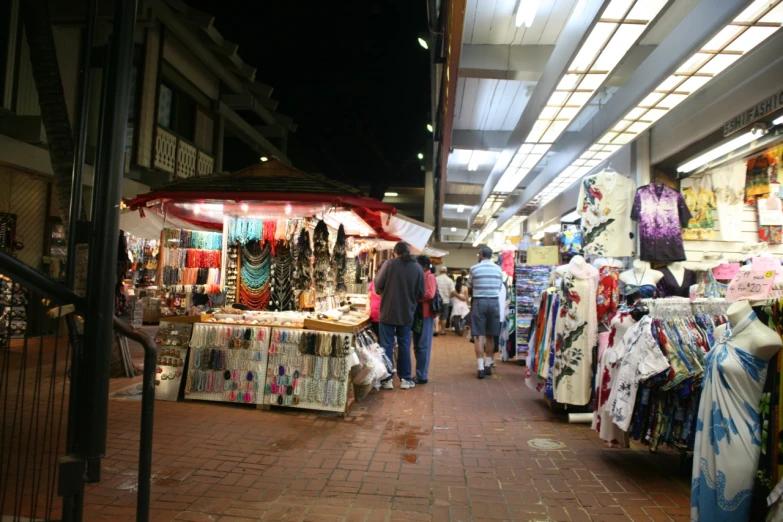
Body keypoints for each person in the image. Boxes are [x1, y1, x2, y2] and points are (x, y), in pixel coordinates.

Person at [373, 242, 424, 390]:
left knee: (386, 345)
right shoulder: (417, 268)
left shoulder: (389, 264)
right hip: (407, 313)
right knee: (404, 346)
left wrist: (385, 293)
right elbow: (421, 293)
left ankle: (387, 379)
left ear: (395, 252)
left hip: (388, 311)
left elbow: (377, 284)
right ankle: (405, 379)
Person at [468, 246, 503, 379]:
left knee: (479, 336)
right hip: (494, 303)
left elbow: (470, 286)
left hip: (479, 302)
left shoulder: (474, 268)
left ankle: (480, 368)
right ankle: (488, 365)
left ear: (481, 254)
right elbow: (499, 287)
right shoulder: (498, 269)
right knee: (491, 335)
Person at [413, 255, 437, 384]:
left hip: (426, 315)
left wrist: (415, 296)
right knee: (417, 346)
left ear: (424, 266)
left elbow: (430, 294)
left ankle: (422, 375)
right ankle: (419, 373)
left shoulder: (430, 277)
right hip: (419, 314)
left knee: (423, 346)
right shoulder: (422, 276)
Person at [435, 266, 455, 336]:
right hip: (446, 301)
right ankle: (443, 330)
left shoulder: (436, 279)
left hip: (437, 300)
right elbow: (452, 292)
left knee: (436, 315)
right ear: (446, 271)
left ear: (440, 271)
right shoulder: (450, 280)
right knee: (444, 316)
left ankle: (436, 329)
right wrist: (450, 297)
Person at [367, 260, 384, 337]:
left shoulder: (390, 283)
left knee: (382, 340)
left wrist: (378, 294)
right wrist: (367, 307)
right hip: (373, 316)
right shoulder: (374, 282)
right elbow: (369, 297)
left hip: (384, 317)